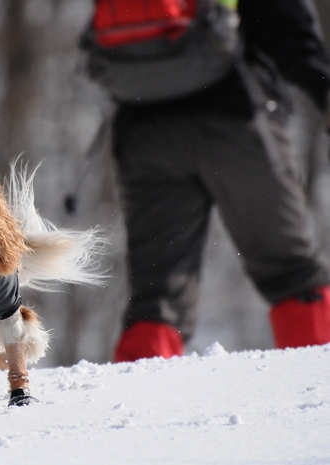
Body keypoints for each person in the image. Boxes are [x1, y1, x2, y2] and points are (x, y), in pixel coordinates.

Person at [93, 0, 330, 362]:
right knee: (293, 274)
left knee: (157, 300)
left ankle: (132, 411)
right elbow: (288, 25)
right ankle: (317, 388)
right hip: (235, 119)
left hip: (145, 131)